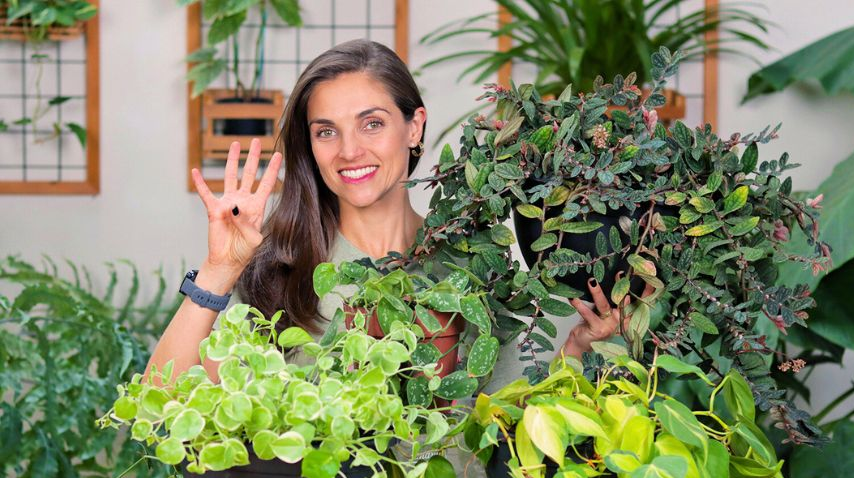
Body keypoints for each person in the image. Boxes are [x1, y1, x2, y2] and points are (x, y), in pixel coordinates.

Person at [144, 39, 636, 387]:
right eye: (326, 131)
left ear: (414, 126)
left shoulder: (477, 265)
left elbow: (513, 420)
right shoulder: (281, 276)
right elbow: (157, 405)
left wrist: (578, 349)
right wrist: (220, 270)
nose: (350, 151)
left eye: (372, 124)